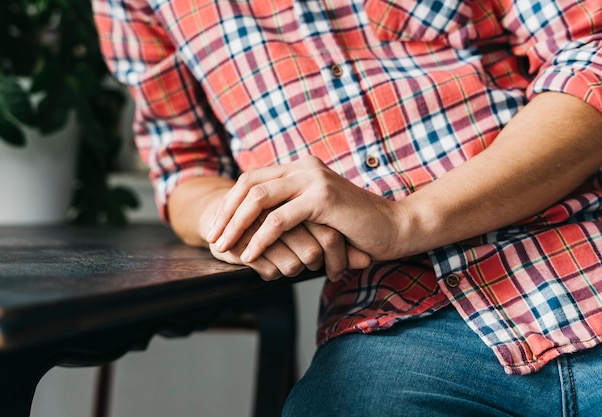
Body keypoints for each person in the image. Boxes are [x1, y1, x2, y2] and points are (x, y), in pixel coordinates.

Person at [92, 0, 602, 415]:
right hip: (397, 327)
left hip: (583, 259)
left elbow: (591, 55)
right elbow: (185, 168)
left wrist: (408, 219)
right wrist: (243, 214)